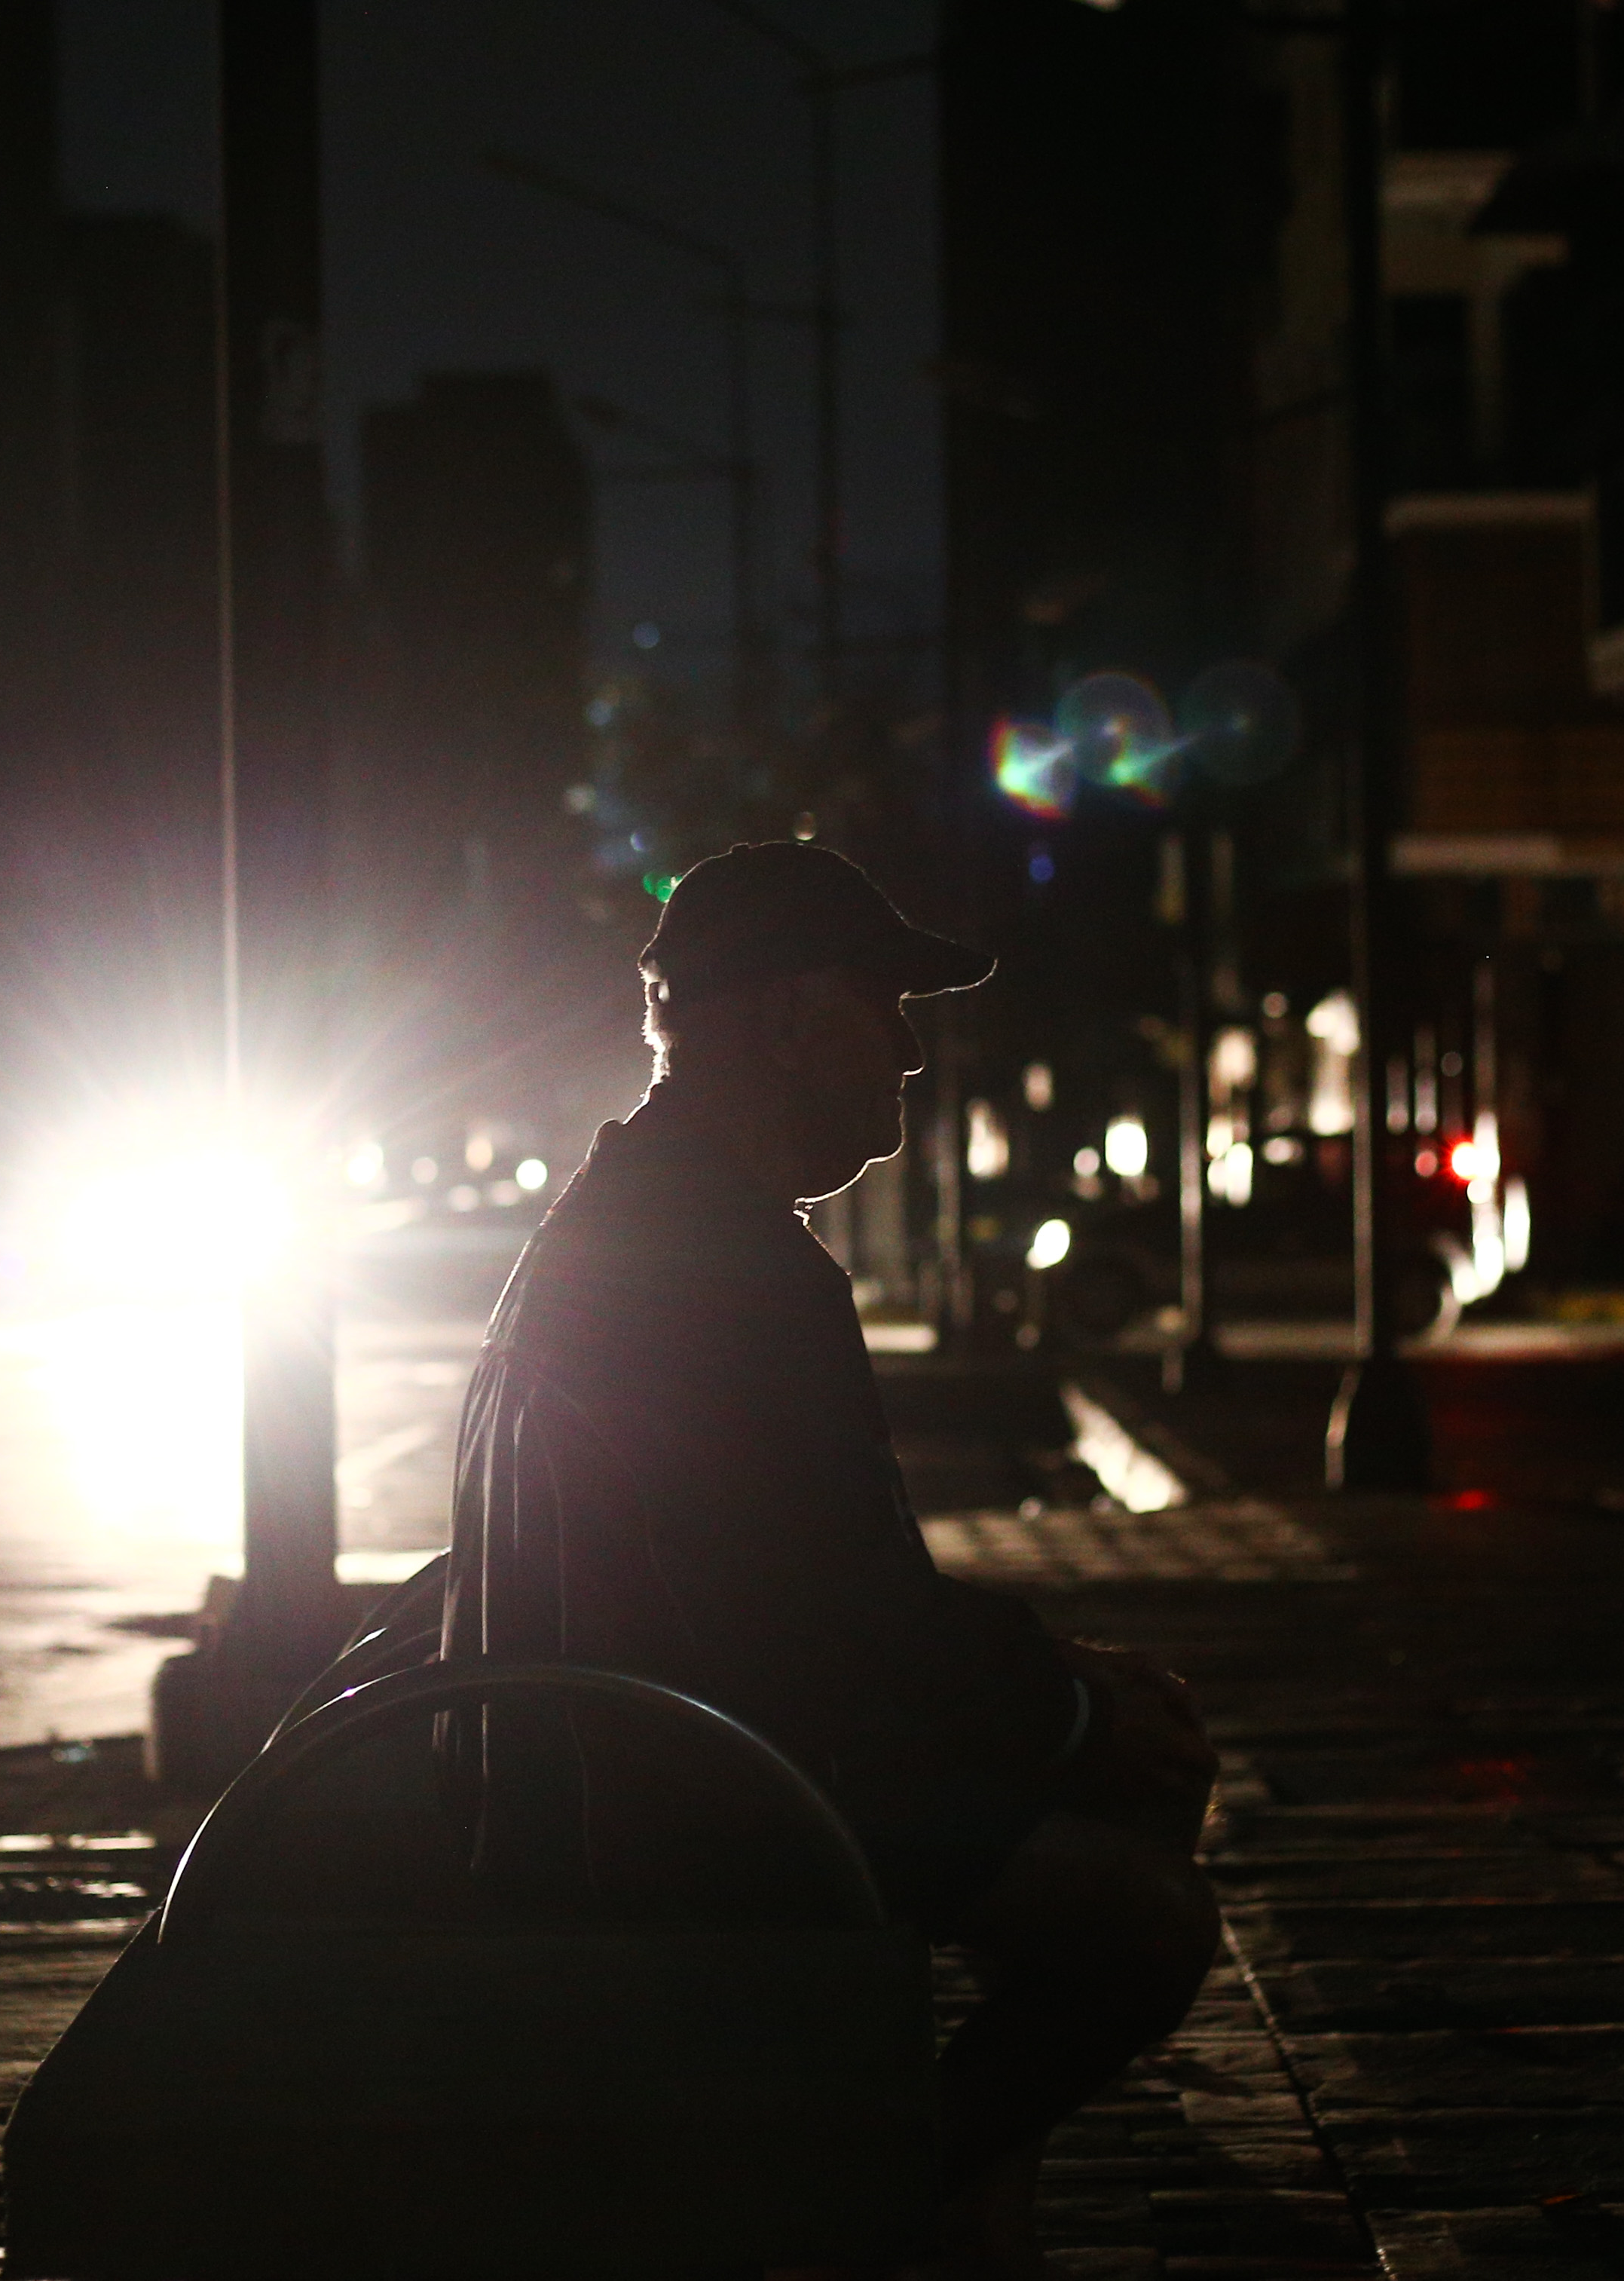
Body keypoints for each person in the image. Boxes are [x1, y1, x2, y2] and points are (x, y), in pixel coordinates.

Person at [439, 840, 1220, 2279]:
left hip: (629, 1769)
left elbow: (818, 1594)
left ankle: (957, 2223)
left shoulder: (643, 1223)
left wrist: (1058, 1684)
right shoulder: (717, 1266)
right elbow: (822, 1629)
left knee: (1110, 1762)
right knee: (1149, 1916)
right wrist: (1075, 1706)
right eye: (888, 1004)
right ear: (789, 1019)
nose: (913, 1049)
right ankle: (848, 2212)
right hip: (686, 1808)